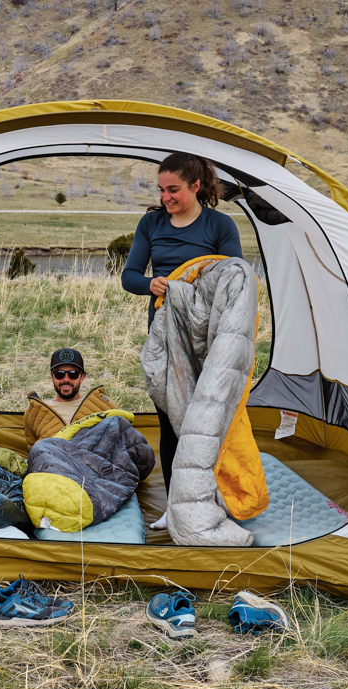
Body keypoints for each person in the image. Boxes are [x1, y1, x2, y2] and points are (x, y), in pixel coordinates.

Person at [120, 152, 244, 529]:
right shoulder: (152, 223)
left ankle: (215, 500)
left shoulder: (220, 225)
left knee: (208, 421)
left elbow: (233, 279)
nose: (165, 197)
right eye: (161, 190)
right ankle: (176, 507)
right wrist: (152, 284)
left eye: (173, 189)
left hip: (207, 338)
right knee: (171, 419)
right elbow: (129, 276)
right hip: (165, 336)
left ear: (196, 186)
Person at [23, 348, 118, 447]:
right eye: (59, 374)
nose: (66, 379)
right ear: (52, 377)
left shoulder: (102, 406)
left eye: (73, 374)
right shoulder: (35, 413)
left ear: (82, 377)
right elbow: (31, 448)